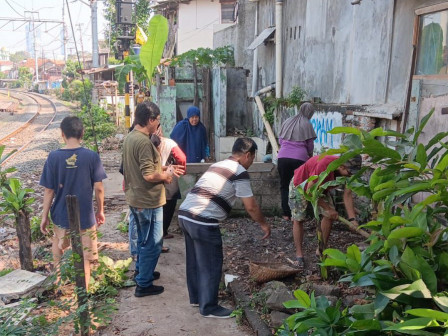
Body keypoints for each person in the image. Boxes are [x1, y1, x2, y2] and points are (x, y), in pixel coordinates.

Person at [178, 137, 271, 318]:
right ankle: (209, 307)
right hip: (203, 220)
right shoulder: (239, 171)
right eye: (252, 158)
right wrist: (264, 224)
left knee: (196, 260)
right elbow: (251, 206)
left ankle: (197, 298)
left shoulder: (218, 165)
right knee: (212, 263)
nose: (252, 162)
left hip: (185, 214)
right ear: (247, 155)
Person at [122, 101, 183, 297]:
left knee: (142, 239)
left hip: (136, 198)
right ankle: (144, 284)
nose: (158, 123)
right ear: (150, 120)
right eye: (157, 120)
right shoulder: (144, 142)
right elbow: (148, 175)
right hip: (148, 200)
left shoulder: (131, 137)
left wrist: (164, 168)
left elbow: (140, 169)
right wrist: (166, 176)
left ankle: (142, 272)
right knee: (152, 243)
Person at [40, 116, 107, 290]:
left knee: (58, 243)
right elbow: (99, 188)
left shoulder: (54, 157)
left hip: (61, 213)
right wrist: (100, 211)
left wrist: (44, 216)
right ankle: (83, 288)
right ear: (82, 133)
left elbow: (49, 190)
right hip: (85, 214)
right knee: (86, 255)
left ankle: (59, 278)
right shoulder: (91, 156)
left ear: (62, 134)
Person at [289, 154, 362, 267]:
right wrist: (327, 208)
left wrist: (352, 219)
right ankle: (299, 255)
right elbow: (309, 191)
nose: (350, 176)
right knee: (298, 219)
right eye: (349, 173)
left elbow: (347, 194)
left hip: (322, 188)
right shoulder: (324, 164)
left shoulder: (347, 171)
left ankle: (321, 250)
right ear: (342, 167)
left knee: (329, 216)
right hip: (301, 185)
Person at [277, 102, 316, 221]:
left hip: (283, 158)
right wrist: (310, 156)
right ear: (310, 113)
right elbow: (310, 146)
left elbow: (280, 140)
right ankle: (298, 214)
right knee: (299, 186)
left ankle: (286, 214)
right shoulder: (307, 124)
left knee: (284, 186)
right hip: (300, 160)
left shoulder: (288, 121)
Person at [152, 133, 187, 239]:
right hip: (169, 175)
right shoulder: (170, 143)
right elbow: (181, 158)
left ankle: (157, 233)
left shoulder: (144, 141)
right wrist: (182, 170)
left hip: (155, 178)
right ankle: (162, 232)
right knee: (168, 206)